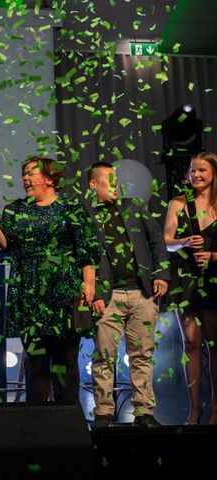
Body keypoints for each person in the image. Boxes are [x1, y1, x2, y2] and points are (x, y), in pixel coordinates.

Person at [0, 156, 100, 404]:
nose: (25, 178)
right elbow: (7, 245)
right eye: (23, 173)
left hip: (65, 292)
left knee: (66, 361)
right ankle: (37, 426)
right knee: (36, 362)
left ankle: (68, 423)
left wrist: (89, 284)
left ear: (49, 178)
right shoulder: (15, 209)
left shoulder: (71, 208)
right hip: (29, 293)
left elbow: (86, 250)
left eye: (31, 173)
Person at [85, 162, 169, 429]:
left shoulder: (133, 206)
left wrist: (161, 274)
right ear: (93, 185)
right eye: (108, 179)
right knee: (104, 357)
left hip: (141, 293)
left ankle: (144, 411)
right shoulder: (86, 214)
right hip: (108, 297)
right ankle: (104, 412)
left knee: (142, 355)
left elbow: (156, 240)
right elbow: (84, 257)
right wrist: (96, 292)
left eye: (116, 179)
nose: (114, 184)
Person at [164, 151, 217, 425]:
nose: (195, 175)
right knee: (191, 342)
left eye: (202, 171)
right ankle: (194, 409)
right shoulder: (178, 202)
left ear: (214, 174)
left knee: (214, 344)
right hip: (185, 278)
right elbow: (168, 241)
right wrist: (184, 242)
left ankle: (216, 410)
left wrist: (213, 256)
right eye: (192, 170)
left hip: (215, 279)